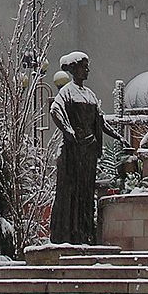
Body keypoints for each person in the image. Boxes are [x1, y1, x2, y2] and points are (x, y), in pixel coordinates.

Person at [49, 51, 123, 245]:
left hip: (88, 153)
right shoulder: (67, 91)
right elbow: (55, 110)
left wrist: (118, 136)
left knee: (86, 194)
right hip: (73, 154)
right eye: (84, 66)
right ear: (74, 69)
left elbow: (100, 121)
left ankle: (84, 233)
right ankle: (68, 234)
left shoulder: (90, 95)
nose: (87, 70)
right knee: (71, 194)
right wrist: (68, 131)